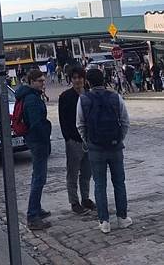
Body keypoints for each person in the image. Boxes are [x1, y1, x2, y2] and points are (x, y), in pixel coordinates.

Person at [76, 68, 131, 234]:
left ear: (88, 82)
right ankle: (122, 218)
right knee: (119, 183)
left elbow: (80, 124)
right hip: (115, 147)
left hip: (95, 148)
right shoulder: (115, 97)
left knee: (99, 184)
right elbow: (125, 121)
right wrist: (118, 138)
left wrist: (89, 141)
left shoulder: (83, 99)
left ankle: (104, 221)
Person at [15, 69, 52, 230]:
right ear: (31, 82)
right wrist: (45, 136)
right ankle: (33, 215)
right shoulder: (31, 99)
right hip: (38, 141)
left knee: (38, 176)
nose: (43, 84)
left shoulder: (30, 96)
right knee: (39, 178)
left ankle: (36, 208)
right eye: (39, 81)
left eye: (43, 81)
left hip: (34, 140)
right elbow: (36, 124)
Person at [58, 66, 95, 215]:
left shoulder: (89, 94)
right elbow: (63, 120)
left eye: (80, 77)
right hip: (74, 140)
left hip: (89, 139)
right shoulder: (66, 96)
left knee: (86, 172)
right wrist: (68, 138)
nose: (77, 80)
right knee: (72, 173)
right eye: (74, 78)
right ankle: (74, 201)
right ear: (71, 80)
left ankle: (85, 198)